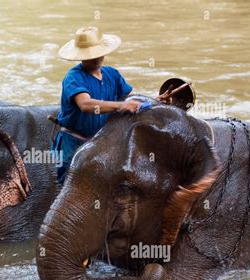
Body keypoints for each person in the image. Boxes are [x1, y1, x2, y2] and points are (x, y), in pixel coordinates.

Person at [53, 27, 170, 183]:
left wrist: (154, 100)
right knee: (69, 185)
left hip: (101, 141)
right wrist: (120, 106)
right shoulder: (73, 77)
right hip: (73, 142)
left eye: (97, 53)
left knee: (100, 185)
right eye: (90, 55)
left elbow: (131, 98)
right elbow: (85, 104)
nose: (96, 58)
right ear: (81, 57)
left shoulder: (112, 74)